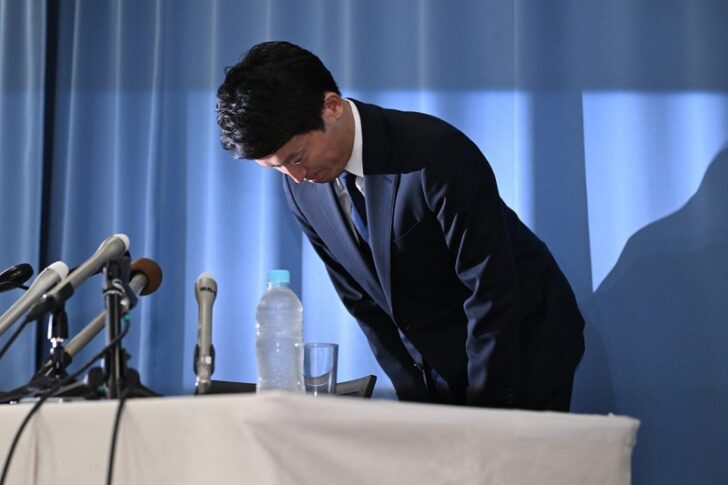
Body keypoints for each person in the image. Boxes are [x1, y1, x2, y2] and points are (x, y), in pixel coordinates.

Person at [216, 41, 585, 410]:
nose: (296, 177)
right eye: (277, 167)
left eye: (296, 158)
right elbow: (364, 305)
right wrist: (414, 403)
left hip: (523, 343)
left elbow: (490, 288)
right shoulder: (302, 191)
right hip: (441, 358)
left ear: (332, 107)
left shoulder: (434, 153)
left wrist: (484, 411)